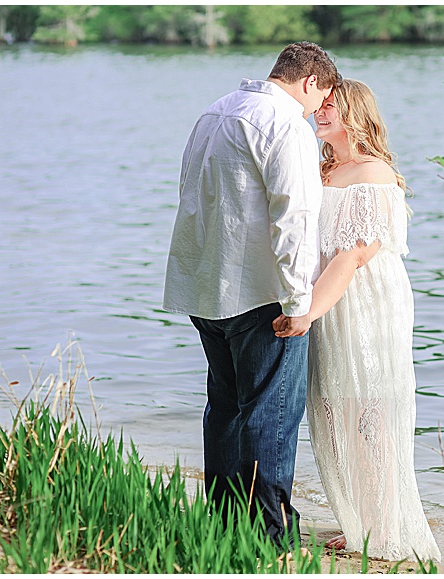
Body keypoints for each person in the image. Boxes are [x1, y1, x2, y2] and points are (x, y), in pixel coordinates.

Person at [162, 41, 340, 551]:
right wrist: (298, 302)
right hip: (262, 292)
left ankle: (222, 529)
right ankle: (272, 541)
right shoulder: (287, 124)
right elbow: (296, 219)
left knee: (225, 410)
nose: (318, 110)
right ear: (311, 82)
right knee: (271, 416)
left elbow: (190, 197)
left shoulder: (214, 112)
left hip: (206, 285)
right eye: (321, 97)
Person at [273, 79, 441, 562]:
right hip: (327, 296)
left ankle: (385, 529)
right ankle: (358, 520)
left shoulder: (374, 172)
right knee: (333, 405)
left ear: (354, 113)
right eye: (319, 104)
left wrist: (306, 313)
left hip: (366, 301)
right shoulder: (322, 167)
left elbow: (352, 257)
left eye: (330, 107)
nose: (320, 112)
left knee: (370, 409)